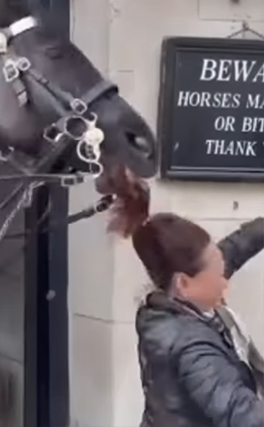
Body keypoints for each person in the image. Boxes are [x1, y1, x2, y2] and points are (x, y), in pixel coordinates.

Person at [106, 167, 264, 427]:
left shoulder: (174, 301)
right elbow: (243, 415)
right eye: (216, 273)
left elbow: (234, 248)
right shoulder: (191, 348)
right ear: (183, 283)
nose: (224, 281)